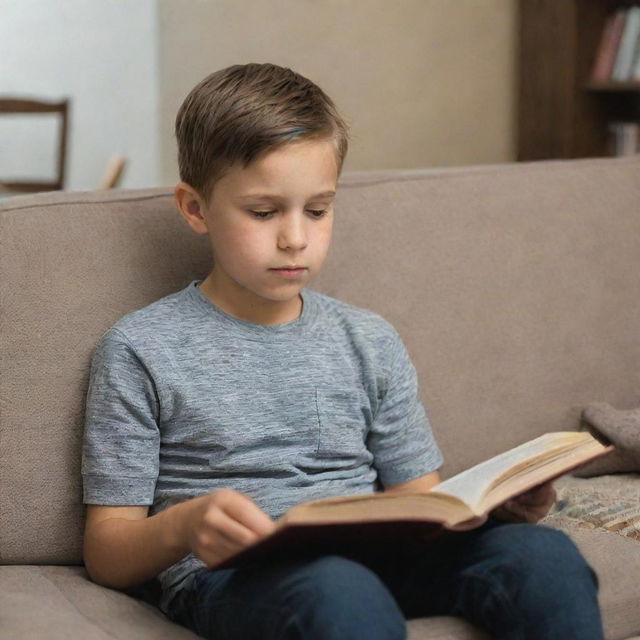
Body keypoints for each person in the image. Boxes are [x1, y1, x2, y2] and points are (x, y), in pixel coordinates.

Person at [81, 63, 603, 640]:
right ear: (196, 208)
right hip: (237, 576)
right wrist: (182, 527)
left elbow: (422, 503)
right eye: (263, 212)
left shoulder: (368, 340)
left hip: (378, 557)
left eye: (318, 210)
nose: (296, 238)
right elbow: (107, 551)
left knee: (541, 555)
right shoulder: (139, 348)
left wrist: (499, 509)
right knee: (335, 588)